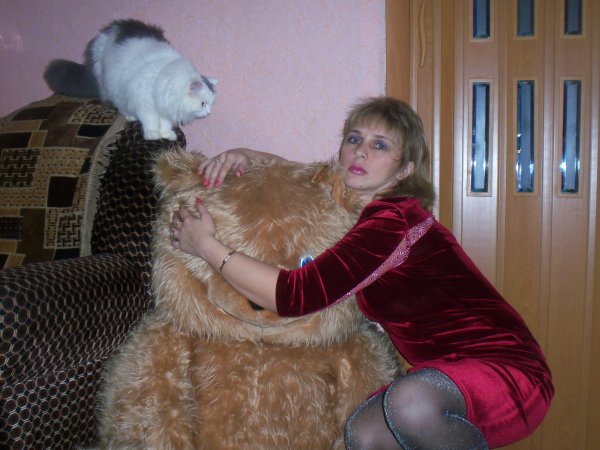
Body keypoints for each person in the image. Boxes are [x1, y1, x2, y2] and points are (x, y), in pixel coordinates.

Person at [170, 97, 553, 449]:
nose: (361, 151)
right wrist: (245, 155)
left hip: (509, 374)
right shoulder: (362, 210)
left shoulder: (393, 219)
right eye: (354, 139)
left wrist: (206, 246)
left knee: (410, 404)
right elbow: (302, 176)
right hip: (449, 373)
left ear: (404, 170)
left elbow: (295, 295)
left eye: (380, 145)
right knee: (366, 433)